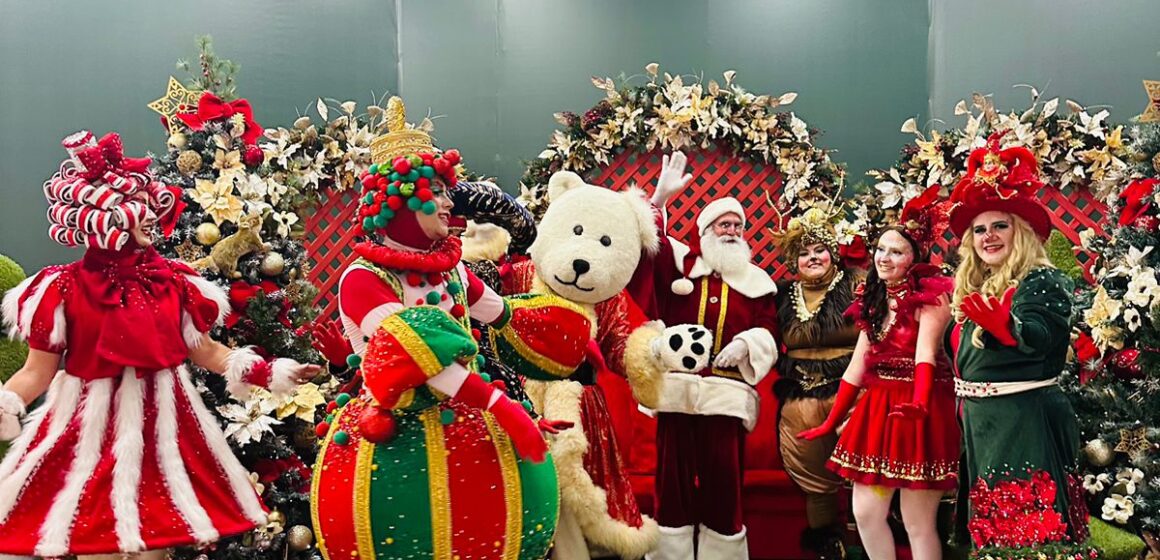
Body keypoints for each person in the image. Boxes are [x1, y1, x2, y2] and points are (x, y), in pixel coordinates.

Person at [0, 131, 319, 558]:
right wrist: (8, 403)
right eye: (139, 208)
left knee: (153, 548)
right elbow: (36, 372)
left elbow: (205, 351)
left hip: (164, 432)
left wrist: (270, 371)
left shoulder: (175, 283)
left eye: (151, 204)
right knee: (100, 543)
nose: (151, 215)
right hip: (89, 433)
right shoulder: (63, 289)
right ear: (108, 216)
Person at [310, 97, 591, 560]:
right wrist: (501, 407)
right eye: (436, 191)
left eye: (447, 189)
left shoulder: (454, 272)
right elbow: (410, 351)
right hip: (392, 445)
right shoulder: (363, 279)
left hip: (475, 432)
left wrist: (567, 341)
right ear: (398, 200)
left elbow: (503, 314)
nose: (448, 202)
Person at [945, 131, 1092, 554]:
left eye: (999, 226)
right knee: (994, 537)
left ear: (1021, 231)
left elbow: (1043, 335)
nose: (988, 235)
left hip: (1023, 422)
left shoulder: (1040, 279)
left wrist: (1011, 330)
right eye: (979, 229)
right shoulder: (975, 284)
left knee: (1029, 538)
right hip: (982, 425)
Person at [632, 151, 780, 559]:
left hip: (726, 399)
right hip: (677, 395)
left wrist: (746, 344)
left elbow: (769, 328)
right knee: (672, 487)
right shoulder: (679, 263)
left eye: (737, 225)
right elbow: (644, 244)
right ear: (706, 230)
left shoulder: (758, 282)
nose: (731, 231)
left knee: (723, 487)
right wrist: (659, 197)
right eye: (723, 224)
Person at [798, 186, 958, 560]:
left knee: (918, 522)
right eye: (881, 249)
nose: (884, 258)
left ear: (914, 258)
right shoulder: (872, 300)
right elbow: (857, 366)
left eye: (896, 251)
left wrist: (919, 403)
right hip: (879, 408)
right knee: (866, 513)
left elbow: (925, 356)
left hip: (920, 409)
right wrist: (829, 422)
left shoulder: (932, 297)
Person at [770, 205, 864, 560]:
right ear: (794, 262)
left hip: (852, 390)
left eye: (819, 250)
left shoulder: (857, 284)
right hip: (800, 395)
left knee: (862, 471)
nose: (813, 258)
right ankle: (828, 544)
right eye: (804, 253)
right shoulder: (781, 295)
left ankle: (864, 543)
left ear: (833, 253)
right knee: (813, 477)